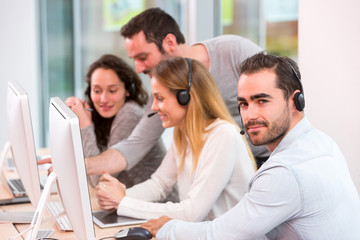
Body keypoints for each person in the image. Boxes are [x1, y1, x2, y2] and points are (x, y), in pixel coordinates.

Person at [141, 52, 360, 240]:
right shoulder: (322, 142)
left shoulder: (284, 172)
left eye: (262, 101)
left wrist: (166, 228)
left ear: (295, 101)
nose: (250, 115)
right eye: (244, 104)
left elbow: (219, 235)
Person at [84, 8, 270, 179]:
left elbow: (280, 98)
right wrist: (79, 165)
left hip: (268, 162)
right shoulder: (163, 95)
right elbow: (135, 144)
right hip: (224, 171)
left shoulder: (234, 51)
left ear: (170, 42)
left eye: (143, 57)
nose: (138, 69)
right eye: (134, 60)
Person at [95, 57, 256, 221]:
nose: (153, 107)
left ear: (185, 97)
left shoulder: (223, 135)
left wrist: (123, 202)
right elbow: (159, 184)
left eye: (160, 98)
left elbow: (191, 212)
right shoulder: (184, 134)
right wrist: (118, 196)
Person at [64, 54, 166, 188]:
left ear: (128, 91)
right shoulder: (100, 114)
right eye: (97, 91)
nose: (103, 99)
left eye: (112, 90)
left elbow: (98, 180)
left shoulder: (130, 114)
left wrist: (85, 126)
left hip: (154, 205)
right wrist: (74, 123)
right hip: (125, 201)